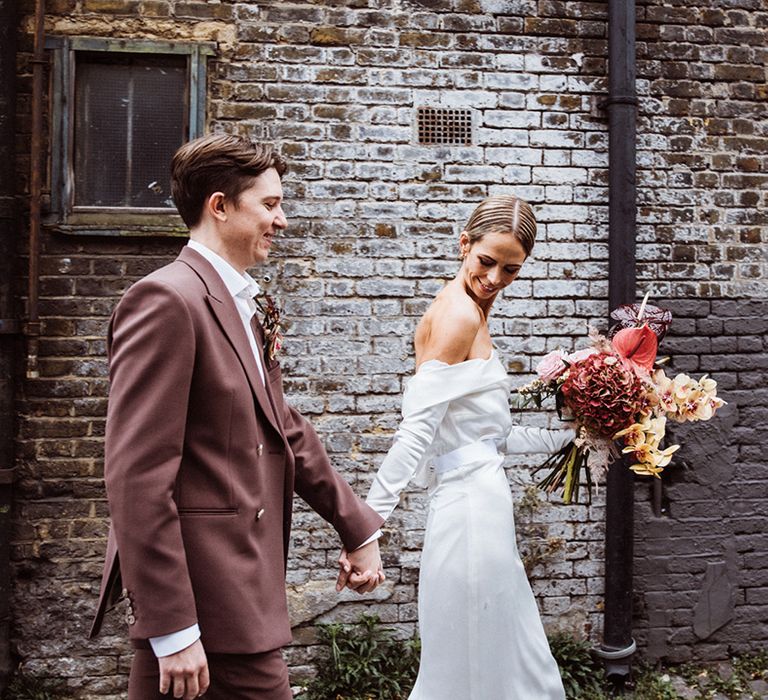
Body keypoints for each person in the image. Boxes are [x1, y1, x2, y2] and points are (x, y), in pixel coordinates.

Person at [90, 134, 385, 700]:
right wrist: (172, 627)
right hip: (204, 597)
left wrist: (356, 524)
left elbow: (283, 424)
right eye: (269, 205)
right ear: (219, 206)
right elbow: (138, 474)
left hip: (237, 595)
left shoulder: (241, 303)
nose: (283, 220)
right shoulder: (166, 301)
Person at [346, 195, 575, 698]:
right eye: (486, 262)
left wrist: (580, 439)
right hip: (471, 513)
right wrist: (365, 527)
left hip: (482, 506)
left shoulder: (470, 309)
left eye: (511, 270)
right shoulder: (458, 318)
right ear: (464, 245)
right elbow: (416, 434)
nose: (495, 278)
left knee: (496, 653)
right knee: (482, 662)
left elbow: (489, 438)